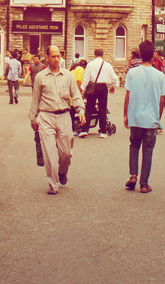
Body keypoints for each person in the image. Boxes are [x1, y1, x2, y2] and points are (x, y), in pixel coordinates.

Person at [30, 45, 85, 195]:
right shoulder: (40, 77)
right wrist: (33, 119)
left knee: (66, 153)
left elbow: (76, 95)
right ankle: (53, 184)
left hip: (64, 117)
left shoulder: (68, 76)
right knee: (49, 152)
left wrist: (81, 110)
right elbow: (35, 99)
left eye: (58, 56)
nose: (56, 59)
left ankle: (62, 171)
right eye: (53, 56)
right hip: (46, 116)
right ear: (47, 58)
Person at [123, 41, 165, 194]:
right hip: (151, 119)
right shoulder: (160, 75)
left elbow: (128, 94)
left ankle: (133, 174)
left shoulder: (132, 72)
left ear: (140, 55)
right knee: (148, 150)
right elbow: (162, 99)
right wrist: (158, 117)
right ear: (153, 55)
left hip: (135, 117)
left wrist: (125, 115)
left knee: (134, 146)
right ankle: (144, 183)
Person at [80, 49, 117, 138]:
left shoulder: (90, 64)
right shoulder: (107, 65)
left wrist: (83, 89)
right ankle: (103, 131)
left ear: (94, 55)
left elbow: (86, 78)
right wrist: (113, 86)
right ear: (102, 55)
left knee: (89, 108)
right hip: (103, 87)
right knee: (102, 109)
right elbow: (114, 78)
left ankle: (85, 130)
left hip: (93, 87)